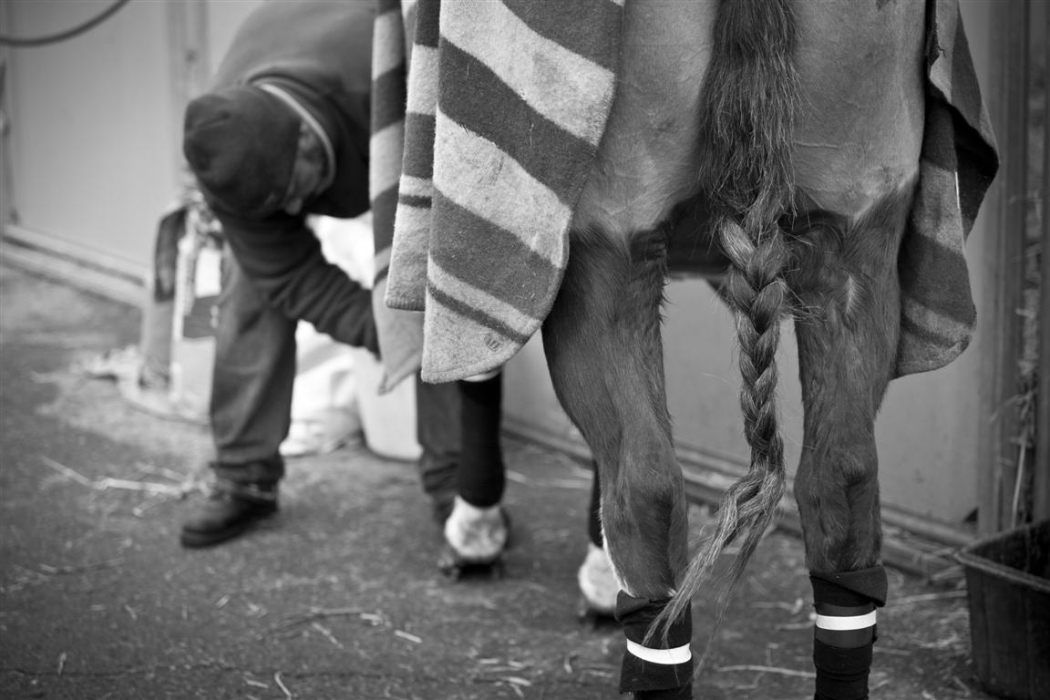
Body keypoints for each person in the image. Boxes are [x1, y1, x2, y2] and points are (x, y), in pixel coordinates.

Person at [178, 0, 505, 548]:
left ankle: (459, 487)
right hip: (322, 105)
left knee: (436, 288)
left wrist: (413, 326)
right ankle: (244, 476)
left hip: (392, 120)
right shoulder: (226, 148)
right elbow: (289, 276)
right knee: (249, 281)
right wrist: (383, 333)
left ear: (306, 140)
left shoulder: (391, 76)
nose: (289, 213)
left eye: (290, 197)